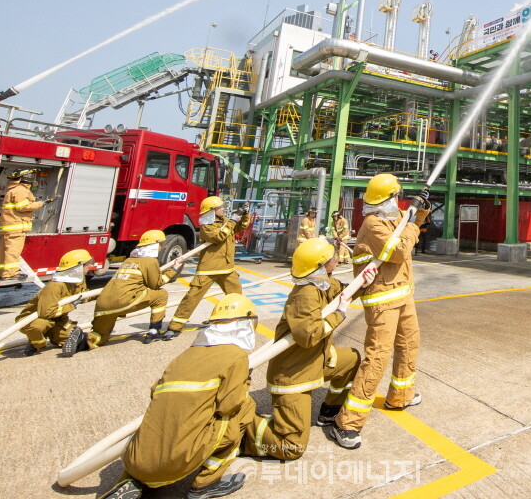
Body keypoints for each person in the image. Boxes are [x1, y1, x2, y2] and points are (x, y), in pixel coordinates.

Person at [99, 294, 258, 499]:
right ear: (246, 324)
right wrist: (244, 381)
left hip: (135, 462)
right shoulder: (236, 356)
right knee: (244, 408)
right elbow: (229, 406)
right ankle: (205, 484)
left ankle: (129, 481)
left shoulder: (184, 356)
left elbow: (154, 392)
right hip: (174, 463)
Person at [244, 238, 372, 460]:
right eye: (332, 257)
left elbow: (342, 292)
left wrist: (363, 284)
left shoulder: (322, 282)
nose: (335, 258)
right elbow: (308, 336)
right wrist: (339, 314)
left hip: (316, 361)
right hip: (293, 375)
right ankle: (241, 431)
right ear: (321, 265)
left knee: (351, 359)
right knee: (292, 447)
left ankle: (329, 411)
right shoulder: (305, 294)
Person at [330, 174, 430, 450]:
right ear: (386, 199)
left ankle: (400, 396)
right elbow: (399, 251)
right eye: (396, 196)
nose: (398, 201)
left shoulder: (391, 218)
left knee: (409, 345)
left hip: (403, 294)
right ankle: (347, 423)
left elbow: (408, 224)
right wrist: (412, 224)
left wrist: (421, 208)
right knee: (378, 358)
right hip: (382, 299)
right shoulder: (373, 224)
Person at [62, 230, 178, 356]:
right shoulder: (150, 261)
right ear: (156, 245)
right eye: (161, 245)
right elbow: (156, 284)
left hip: (103, 303)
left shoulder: (128, 261)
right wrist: (173, 270)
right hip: (123, 300)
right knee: (161, 295)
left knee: (101, 336)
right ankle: (153, 332)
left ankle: (82, 338)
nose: (161, 248)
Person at [163, 197, 250, 341]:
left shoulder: (225, 221)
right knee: (192, 297)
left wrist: (245, 215)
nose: (223, 209)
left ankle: (237, 322)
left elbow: (240, 227)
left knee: (236, 296)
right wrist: (233, 220)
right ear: (212, 211)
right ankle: (174, 327)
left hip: (227, 268)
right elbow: (219, 236)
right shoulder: (207, 226)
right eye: (220, 207)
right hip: (209, 269)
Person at [16, 249, 93, 356]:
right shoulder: (54, 287)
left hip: (57, 319)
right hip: (34, 320)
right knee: (39, 326)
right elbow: (47, 313)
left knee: (74, 336)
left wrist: (101, 295)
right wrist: (71, 306)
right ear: (78, 267)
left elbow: (83, 295)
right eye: (88, 263)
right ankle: (36, 343)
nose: (90, 266)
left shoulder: (78, 281)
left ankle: (69, 338)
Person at [0, 168, 54, 280]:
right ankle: (10, 274)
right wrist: (42, 203)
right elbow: (23, 207)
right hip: (16, 227)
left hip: (9, 227)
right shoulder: (21, 190)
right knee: (13, 251)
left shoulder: (13, 189)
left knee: (1, 251)